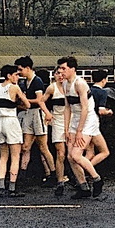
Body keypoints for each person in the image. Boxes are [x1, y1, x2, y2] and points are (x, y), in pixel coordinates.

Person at [58, 56, 105, 199]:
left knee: (76, 155)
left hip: (88, 119)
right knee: (70, 157)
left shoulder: (80, 84)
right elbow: (67, 107)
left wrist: (79, 131)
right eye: (60, 69)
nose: (61, 71)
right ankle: (83, 187)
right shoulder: (64, 84)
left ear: (73, 69)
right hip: (76, 119)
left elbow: (85, 108)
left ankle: (97, 179)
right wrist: (66, 129)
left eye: (64, 68)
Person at [15, 56, 57, 187]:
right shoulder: (25, 82)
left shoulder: (37, 81)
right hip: (29, 114)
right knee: (25, 147)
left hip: (37, 113)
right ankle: (22, 175)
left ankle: (53, 174)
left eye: (20, 69)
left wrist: (25, 100)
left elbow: (39, 100)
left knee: (43, 147)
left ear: (28, 68)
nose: (19, 72)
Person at [0, 64, 30, 197]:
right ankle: (12, 187)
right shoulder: (15, 87)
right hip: (11, 121)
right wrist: (19, 101)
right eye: (16, 75)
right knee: (15, 156)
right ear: (9, 76)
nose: (18, 77)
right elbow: (27, 104)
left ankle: (1, 186)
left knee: (3, 156)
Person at [42, 67, 69, 196]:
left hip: (71, 121)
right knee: (60, 153)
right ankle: (60, 182)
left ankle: (78, 179)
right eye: (58, 73)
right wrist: (48, 113)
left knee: (73, 153)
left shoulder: (72, 86)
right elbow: (41, 101)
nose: (60, 76)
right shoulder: (52, 88)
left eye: (62, 73)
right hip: (58, 121)